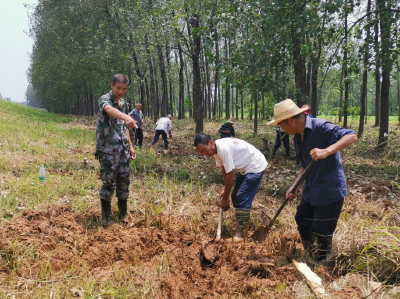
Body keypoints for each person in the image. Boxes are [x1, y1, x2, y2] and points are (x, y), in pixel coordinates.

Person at [268, 99, 357, 261]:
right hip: (311, 188)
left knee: (321, 229)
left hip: (329, 189)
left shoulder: (321, 127)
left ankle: (322, 261)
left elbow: (351, 135)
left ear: (291, 120)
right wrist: (294, 187)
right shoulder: (296, 136)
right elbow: (304, 165)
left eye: (281, 125)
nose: (282, 130)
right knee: (302, 220)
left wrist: (327, 151)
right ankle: (310, 254)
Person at [194, 134, 268, 242]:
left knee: (242, 197)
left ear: (210, 142)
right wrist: (226, 192)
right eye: (202, 153)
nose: (205, 154)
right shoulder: (217, 151)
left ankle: (241, 234)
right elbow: (225, 169)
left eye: (205, 150)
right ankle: (243, 224)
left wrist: (224, 199)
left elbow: (230, 175)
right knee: (234, 195)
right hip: (245, 167)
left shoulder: (223, 149)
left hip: (255, 165)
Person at [95, 74, 137, 224]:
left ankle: (123, 214)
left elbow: (124, 127)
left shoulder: (124, 104)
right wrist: (126, 117)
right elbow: (109, 110)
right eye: (118, 88)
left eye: (124, 89)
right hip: (108, 150)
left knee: (124, 181)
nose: (121, 91)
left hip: (123, 149)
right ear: (112, 85)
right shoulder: (104, 99)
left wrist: (131, 147)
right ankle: (106, 217)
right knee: (108, 182)